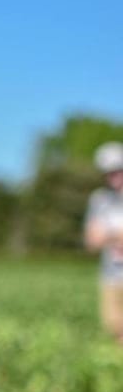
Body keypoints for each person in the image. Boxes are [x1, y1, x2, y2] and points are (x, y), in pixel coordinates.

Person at [84, 141, 123, 343]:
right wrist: (117, 236)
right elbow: (92, 241)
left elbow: (100, 234)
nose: (114, 176)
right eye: (109, 172)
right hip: (111, 275)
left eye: (118, 170)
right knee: (113, 330)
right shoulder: (100, 200)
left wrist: (107, 234)